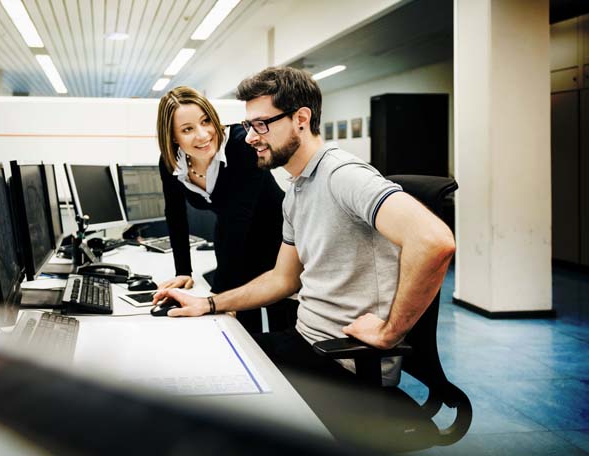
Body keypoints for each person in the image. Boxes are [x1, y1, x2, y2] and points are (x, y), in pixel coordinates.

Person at [153, 68, 455, 385]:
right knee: (193, 359)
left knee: (202, 380)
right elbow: (282, 279)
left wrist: (389, 331)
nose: (251, 137)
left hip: (342, 359)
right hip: (304, 342)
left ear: (300, 119)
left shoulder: (343, 174)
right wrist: (209, 303)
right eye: (248, 125)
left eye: (261, 125)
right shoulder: (298, 189)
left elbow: (434, 241)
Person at [155, 86, 296, 334]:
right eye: (187, 129)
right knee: (239, 322)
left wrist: (215, 298)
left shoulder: (241, 145)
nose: (202, 135)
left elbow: (238, 218)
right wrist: (183, 271)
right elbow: (175, 215)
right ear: (173, 136)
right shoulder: (171, 162)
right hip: (230, 236)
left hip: (277, 234)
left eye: (206, 121)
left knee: (280, 315)